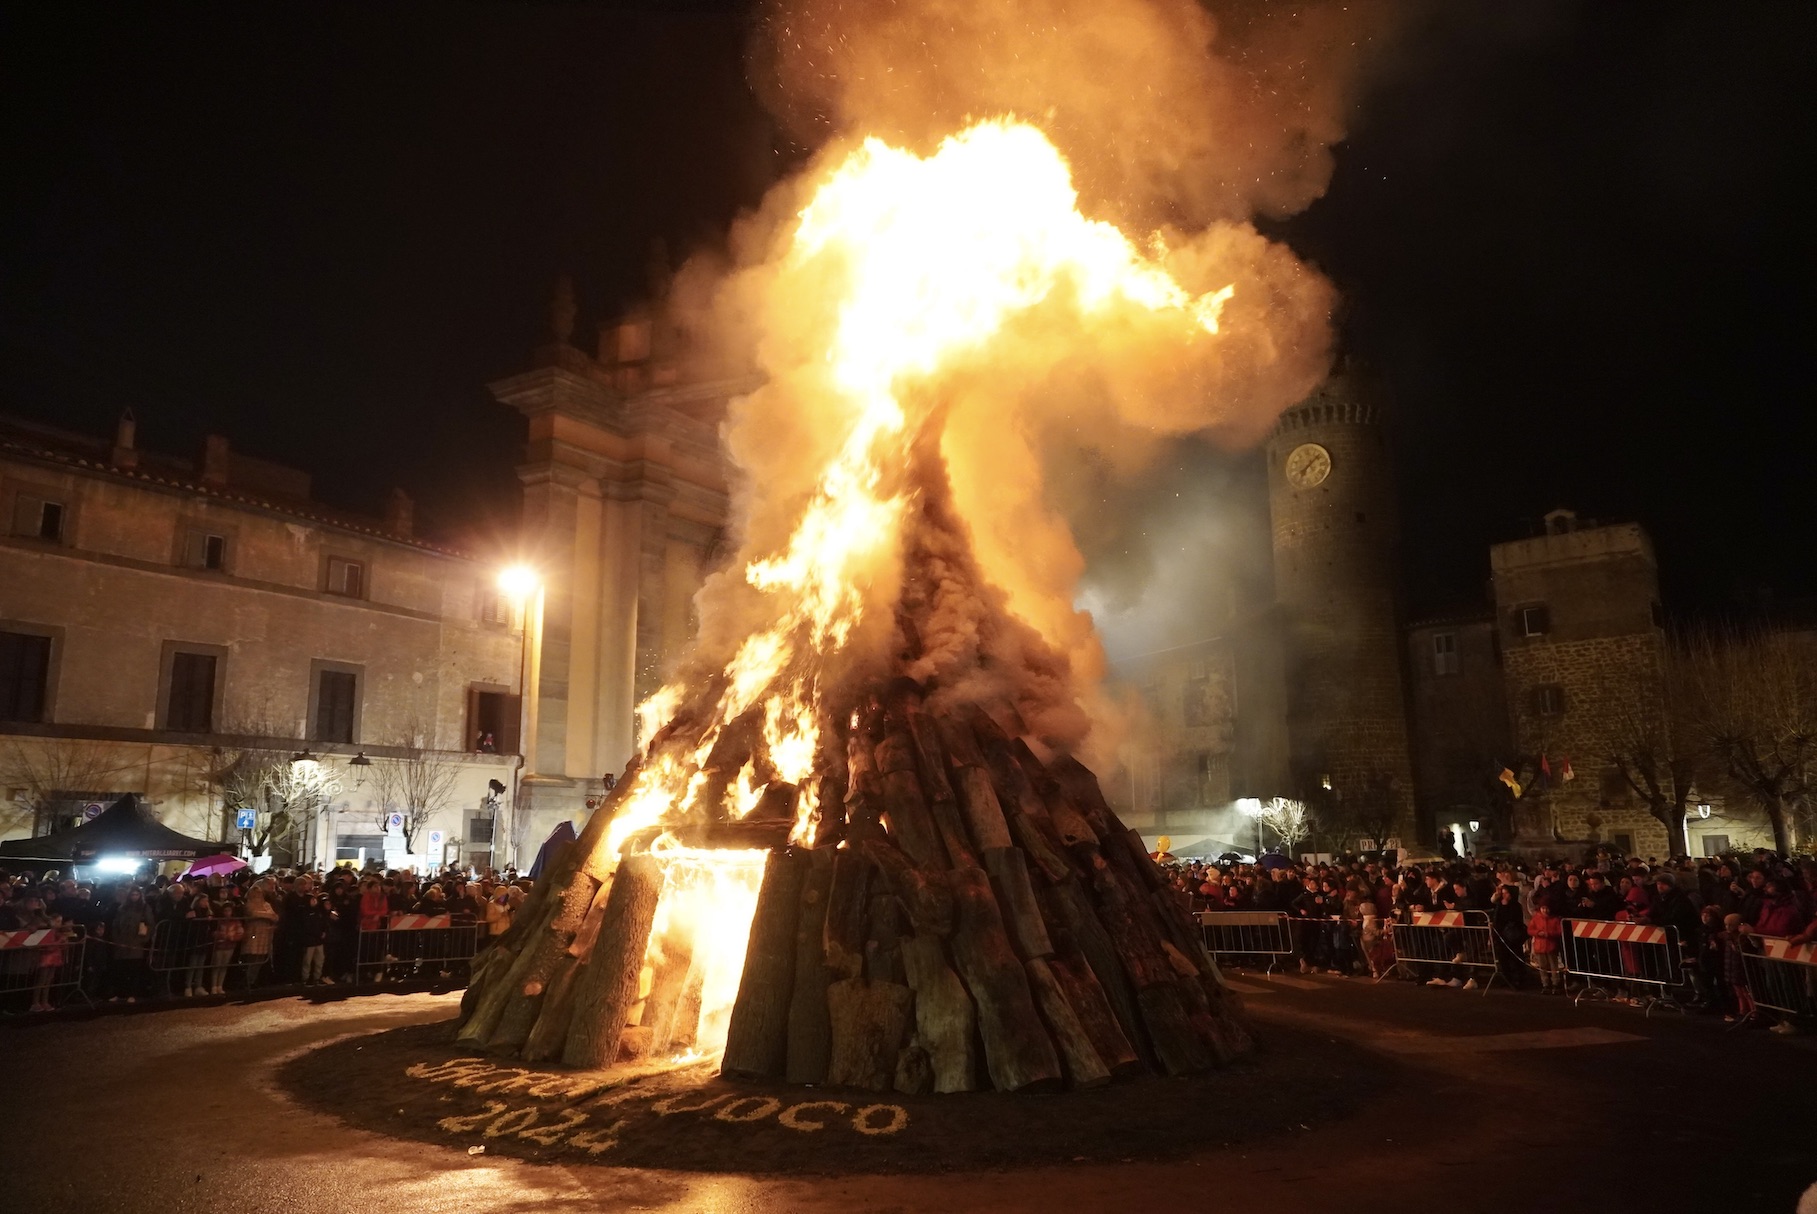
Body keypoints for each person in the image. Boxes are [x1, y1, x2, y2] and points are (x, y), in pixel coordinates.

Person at [1528, 901, 1565, 995]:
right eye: (1543, 908)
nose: (1545, 910)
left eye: (1546, 908)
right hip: (1539, 946)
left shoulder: (1555, 919)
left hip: (1550, 945)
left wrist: (1548, 934)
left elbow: (1559, 931)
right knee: (1542, 966)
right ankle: (1545, 984)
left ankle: (1555, 983)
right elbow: (1530, 930)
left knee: (1553, 965)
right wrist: (1537, 933)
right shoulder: (1536, 918)